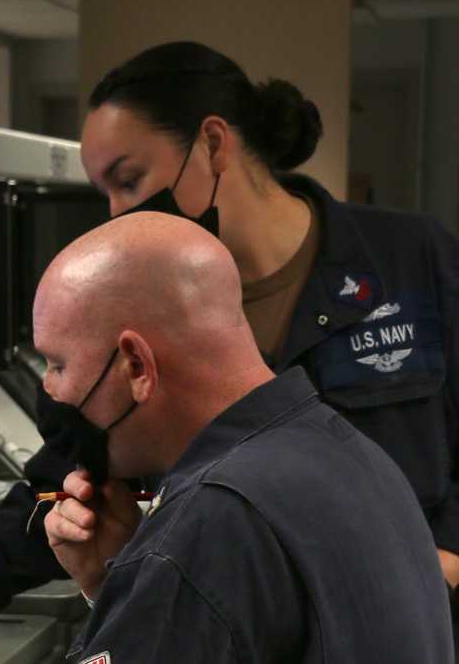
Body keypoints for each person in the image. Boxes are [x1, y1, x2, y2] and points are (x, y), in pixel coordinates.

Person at [0, 41, 459, 632]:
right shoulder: (142, 316)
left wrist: (424, 564)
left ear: (212, 145)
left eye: (129, 179)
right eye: (105, 192)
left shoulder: (412, 259)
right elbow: (60, 499)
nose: (118, 214)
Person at [35, 211, 452, 660]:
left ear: (136, 365)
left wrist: (155, 573)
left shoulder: (212, 522)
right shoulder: (350, 453)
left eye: (58, 365)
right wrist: (121, 588)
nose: (48, 388)